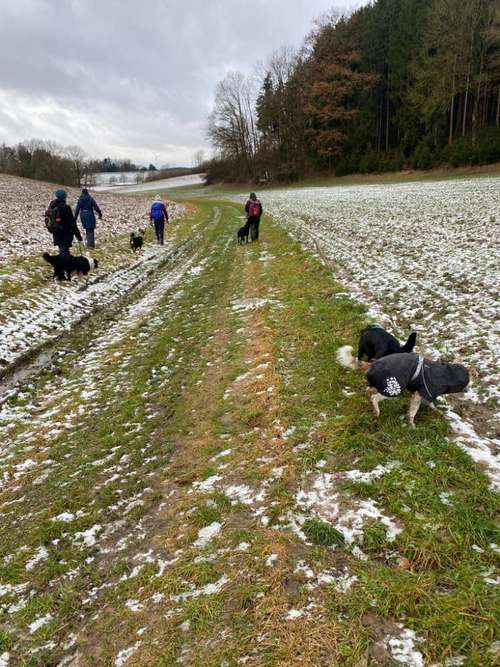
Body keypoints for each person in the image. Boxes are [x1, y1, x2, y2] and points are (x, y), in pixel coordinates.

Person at [45, 188, 82, 256]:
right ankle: (64, 265)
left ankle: (64, 264)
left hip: (56, 232)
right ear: (64, 197)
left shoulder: (51, 207)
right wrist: (78, 235)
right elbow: (72, 223)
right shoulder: (65, 207)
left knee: (62, 250)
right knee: (64, 252)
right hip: (66, 233)